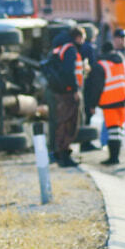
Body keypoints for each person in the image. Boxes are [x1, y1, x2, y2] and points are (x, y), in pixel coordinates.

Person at [88, 40, 125, 165]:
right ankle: (116, 156)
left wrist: (92, 104)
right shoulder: (121, 61)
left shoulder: (101, 65)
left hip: (109, 100)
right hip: (123, 98)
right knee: (118, 130)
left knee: (112, 130)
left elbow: (96, 87)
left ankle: (114, 158)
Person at [48, 26, 85, 168]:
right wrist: (75, 90)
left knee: (61, 122)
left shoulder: (60, 48)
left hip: (60, 91)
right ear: (78, 37)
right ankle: (64, 154)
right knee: (69, 122)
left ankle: (60, 153)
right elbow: (69, 72)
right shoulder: (70, 50)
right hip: (68, 93)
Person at [78, 25, 100, 151]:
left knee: (84, 113)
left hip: (81, 84)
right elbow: (92, 68)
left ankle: (84, 142)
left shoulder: (79, 47)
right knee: (87, 113)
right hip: (88, 84)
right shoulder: (89, 48)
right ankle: (85, 143)